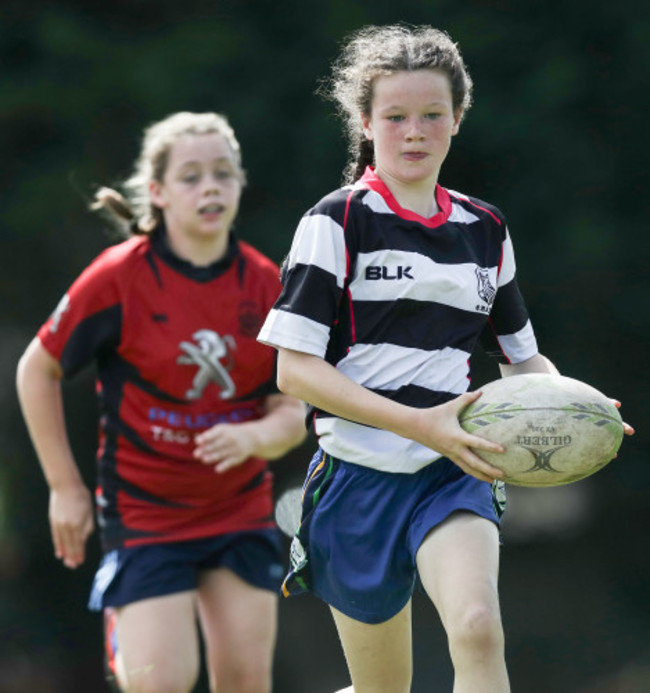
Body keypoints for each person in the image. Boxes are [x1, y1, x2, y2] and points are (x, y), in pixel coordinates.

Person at [257, 24, 634, 693]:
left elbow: (522, 362)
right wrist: (417, 422)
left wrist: (576, 404)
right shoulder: (335, 222)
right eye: (395, 116)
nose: (414, 131)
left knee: (478, 624)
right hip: (356, 479)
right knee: (383, 689)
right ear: (367, 124)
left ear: (457, 119)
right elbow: (296, 371)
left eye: (432, 114)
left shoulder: (483, 229)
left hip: (452, 466)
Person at [16, 111, 307, 693]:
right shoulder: (119, 278)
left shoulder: (265, 283)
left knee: (248, 683)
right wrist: (65, 487)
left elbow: (297, 407)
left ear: (240, 184)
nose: (209, 189)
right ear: (157, 193)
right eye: (191, 176)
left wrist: (255, 437)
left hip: (237, 512)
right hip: (146, 516)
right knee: (161, 681)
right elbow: (36, 368)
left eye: (222, 175)